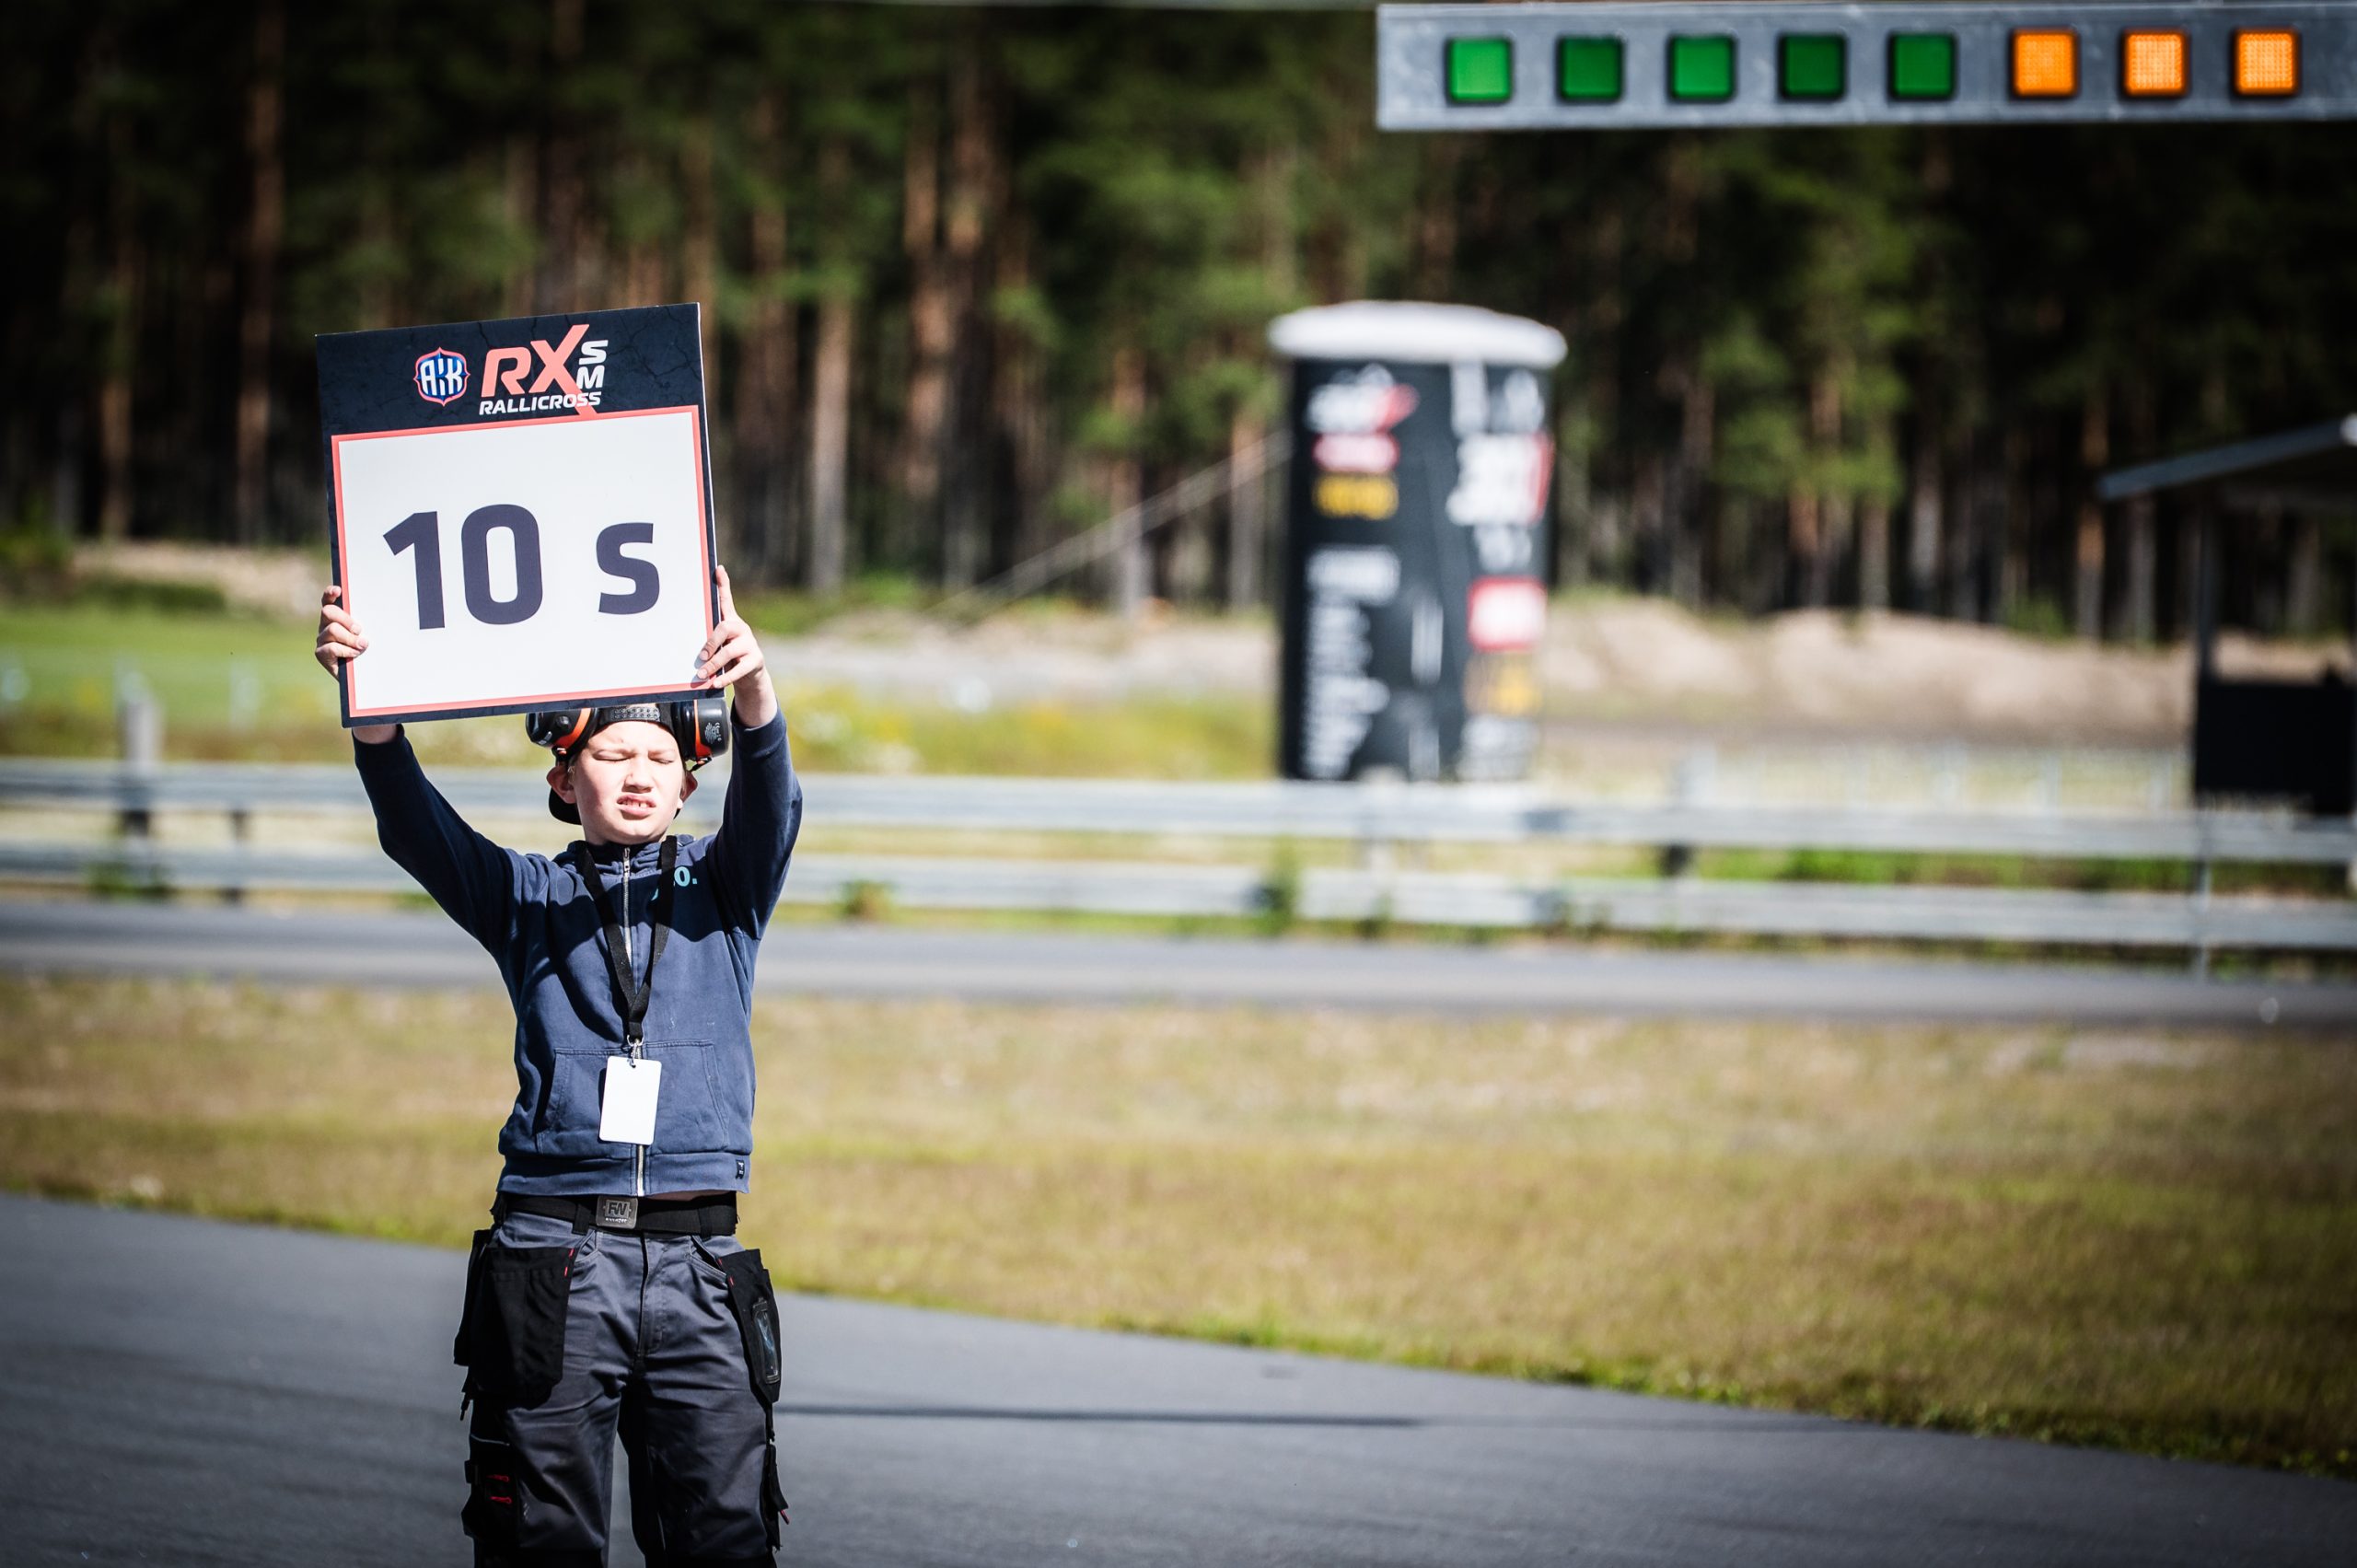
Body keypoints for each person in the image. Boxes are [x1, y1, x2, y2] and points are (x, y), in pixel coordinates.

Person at [314, 565, 800, 1567]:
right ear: (563, 778)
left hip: (701, 1268)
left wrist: (754, 688)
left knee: (725, 1540)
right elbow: (416, 829)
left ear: (689, 782)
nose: (637, 773)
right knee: (539, 1539)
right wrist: (372, 712)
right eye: (612, 753)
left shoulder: (728, 887)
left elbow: (773, 801)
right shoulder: (523, 896)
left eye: (660, 757)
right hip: (554, 1258)